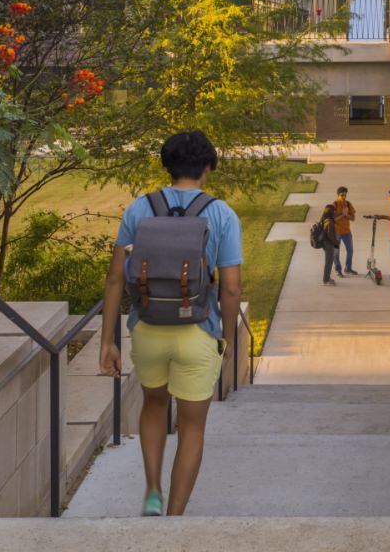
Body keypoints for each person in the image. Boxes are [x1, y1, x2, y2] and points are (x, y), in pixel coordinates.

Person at [99, 130, 243, 517]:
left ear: (167, 165)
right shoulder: (222, 213)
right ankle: (175, 518)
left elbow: (115, 278)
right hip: (198, 331)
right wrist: (227, 339)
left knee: (153, 404)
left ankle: (151, 489)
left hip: (147, 328)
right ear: (207, 167)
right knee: (192, 427)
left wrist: (106, 342)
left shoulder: (138, 209)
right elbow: (230, 289)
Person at [331, 186, 357, 277]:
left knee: (350, 250)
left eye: (345, 195)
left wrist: (347, 215)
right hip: (336, 233)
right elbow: (333, 219)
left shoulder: (348, 204)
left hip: (347, 232)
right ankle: (338, 270)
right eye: (342, 195)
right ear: (337, 195)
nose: (344, 197)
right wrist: (343, 214)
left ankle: (348, 268)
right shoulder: (334, 205)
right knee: (336, 252)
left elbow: (353, 218)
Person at [313, 202, 339, 286]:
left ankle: (327, 277)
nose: (335, 212)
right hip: (328, 244)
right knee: (329, 262)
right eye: (334, 211)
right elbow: (331, 235)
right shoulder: (330, 222)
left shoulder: (324, 219)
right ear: (331, 212)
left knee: (328, 261)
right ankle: (326, 280)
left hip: (324, 243)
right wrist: (337, 243)